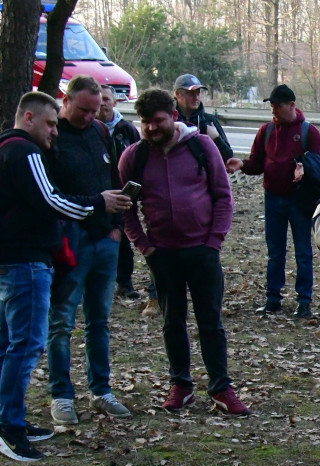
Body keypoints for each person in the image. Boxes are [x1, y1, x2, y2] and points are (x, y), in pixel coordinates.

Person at [0, 92, 130, 461]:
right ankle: (10, 427)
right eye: (50, 123)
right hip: (25, 261)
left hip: (16, 259)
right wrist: (98, 203)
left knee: (10, 343)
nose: (54, 132)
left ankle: (11, 418)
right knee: (26, 345)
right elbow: (52, 199)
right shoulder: (24, 152)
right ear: (28, 118)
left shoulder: (9, 149)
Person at [119, 88, 250, 416]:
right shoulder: (134, 157)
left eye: (157, 121)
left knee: (211, 321)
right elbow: (125, 208)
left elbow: (223, 196)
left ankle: (221, 388)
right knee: (172, 321)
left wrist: (214, 241)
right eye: (145, 122)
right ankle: (181, 385)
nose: (150, 128)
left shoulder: (201, 147)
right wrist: (145, 246)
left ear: (173, 117)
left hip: (202, 251)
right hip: (162, 253)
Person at [47, 75, 133, 425]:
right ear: (66, 102)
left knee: (99, 320)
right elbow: (51, 196)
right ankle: (61, 396)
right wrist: (97, 204)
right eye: (83, 110)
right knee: (62, 322)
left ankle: (101, 390)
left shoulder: (99, 132)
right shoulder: (52, 139)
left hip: (104, 242)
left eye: (95, 110)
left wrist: (116, 227)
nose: (89, 116)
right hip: (70, 242)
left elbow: (111, 179)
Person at [227, 84, 320, 319]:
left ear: (291, 105)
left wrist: (305, 169)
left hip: (299, 200)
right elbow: (257, 163)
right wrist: (242, 164)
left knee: (303, 252)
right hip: (272, 198)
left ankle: (304, 301)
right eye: (271, 106)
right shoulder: (266, 131)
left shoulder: (308, 132)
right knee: (275, 252)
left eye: (277, 106)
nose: (274, 111)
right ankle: (273, 299)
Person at [98, 84, 150, 307]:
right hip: (99, 193)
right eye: (98, 99)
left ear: (114, 101)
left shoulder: (126, 129)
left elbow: (140, 155)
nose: (102, 103)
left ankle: (125, 283)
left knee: (125, 238)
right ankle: (100, 284)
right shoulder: (91, 129)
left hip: (124, 191)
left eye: (106, 99)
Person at [173, 74, 232, 162]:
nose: (196, 97)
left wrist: (216, 138)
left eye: (198, 93)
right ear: (178, 94)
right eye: (191, 93)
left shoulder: (209, 121)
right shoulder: (170, 121)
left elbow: (228, 157)